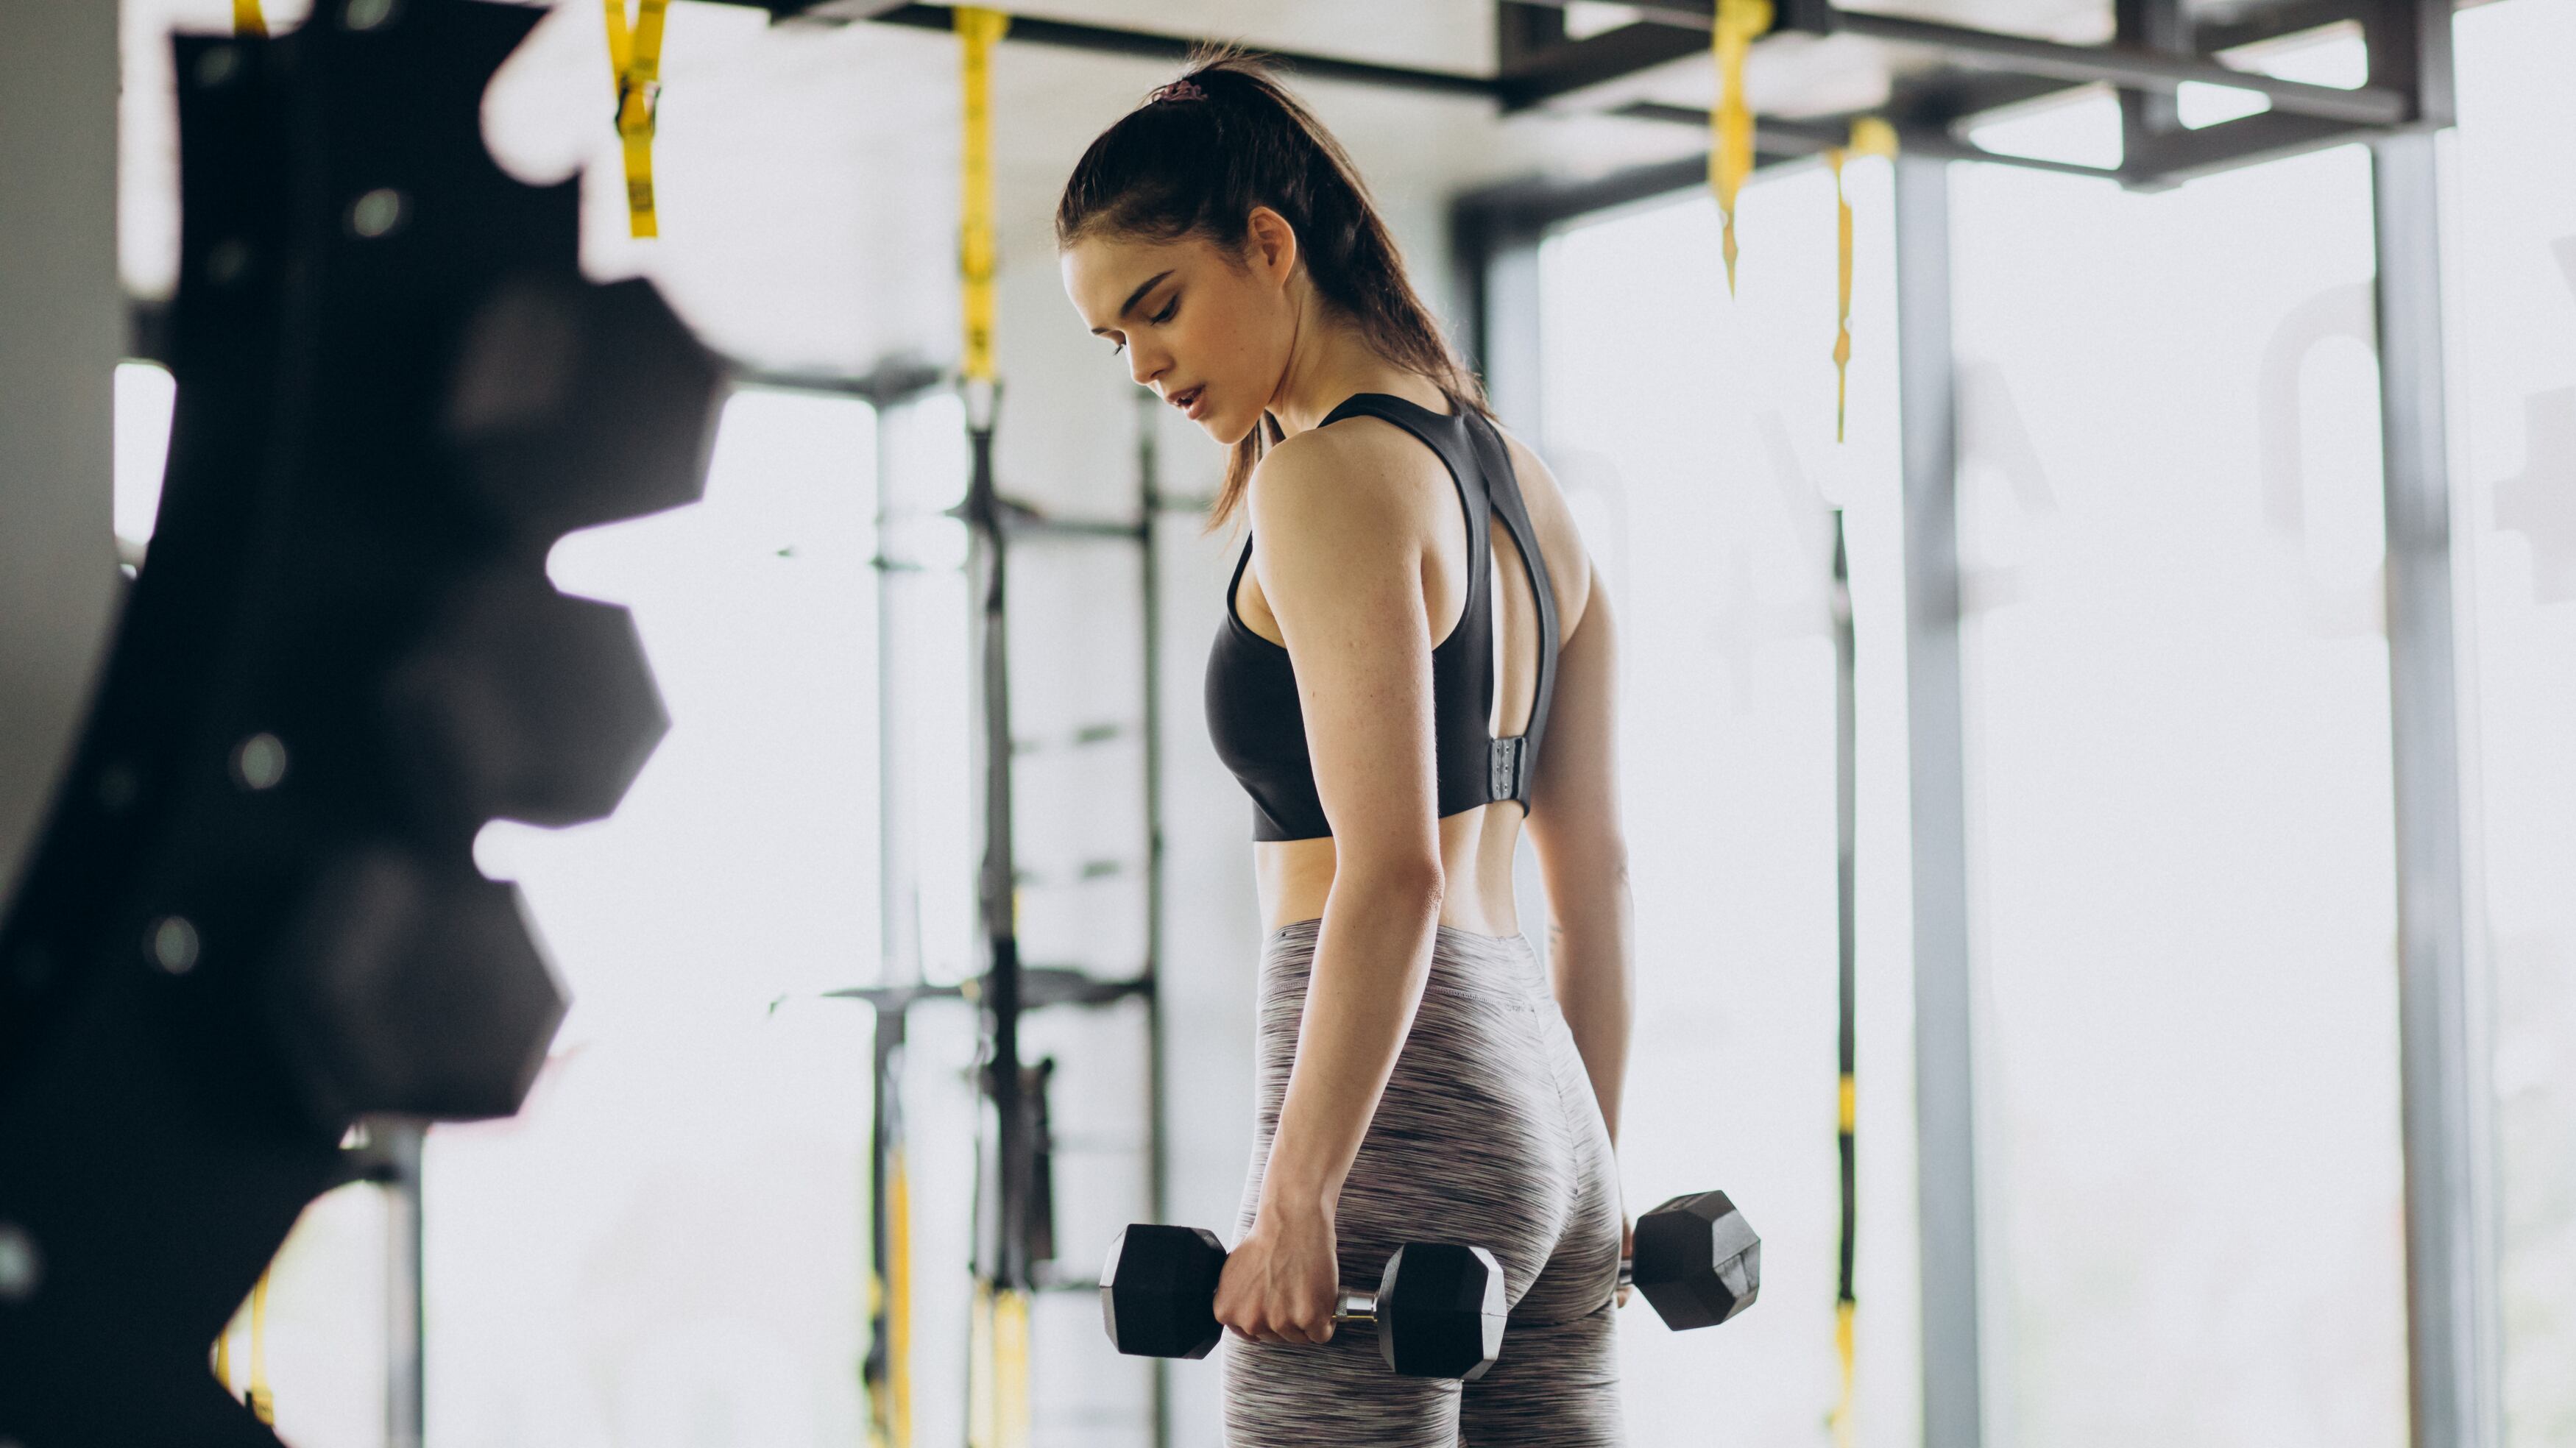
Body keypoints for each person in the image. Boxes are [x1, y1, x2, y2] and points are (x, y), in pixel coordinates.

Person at [1058, 55, 1633, 1447]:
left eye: (1159, 306)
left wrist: (1301, 1197)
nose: (1143, 365)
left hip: (1400, 1117)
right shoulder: (1526, 487)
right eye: (1113, 338)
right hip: (1553, 1117)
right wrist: (1591, 1178)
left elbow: (1394, 874)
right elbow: (1598, 880)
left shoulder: (1319, 478)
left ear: (1270, 244)